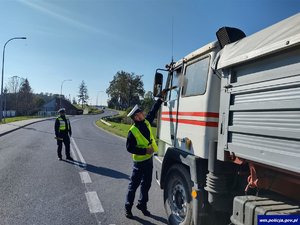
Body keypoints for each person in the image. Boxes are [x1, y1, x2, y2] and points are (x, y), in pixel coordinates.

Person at [125, 92, 165, 219]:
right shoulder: (133, 131)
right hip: (139, 162)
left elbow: (153, 111)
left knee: (146, 184)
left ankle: (142, 205)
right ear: (136, 117)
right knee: (133, 186)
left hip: (149, 161)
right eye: (140, 113)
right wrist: (144, 151)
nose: (143, 113)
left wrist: (160, 99)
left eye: (142, 112)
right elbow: (129, 148)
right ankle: (128, 208)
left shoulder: (146, 122)